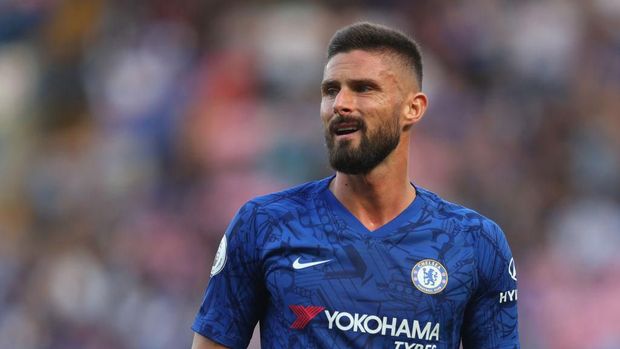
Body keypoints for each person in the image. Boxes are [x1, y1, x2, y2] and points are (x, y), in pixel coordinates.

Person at [191, 22, 520, 349]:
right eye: (331, 90)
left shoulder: (475, 243)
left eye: (364, 88)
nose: (340, 104)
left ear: (413, 108)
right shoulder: (264, 223)